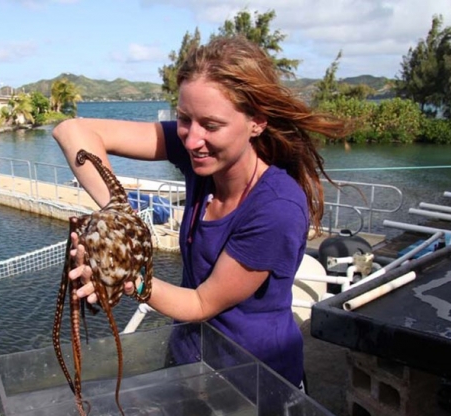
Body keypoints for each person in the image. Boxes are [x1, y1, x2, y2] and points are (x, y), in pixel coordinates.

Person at [52, 36, 347, 391]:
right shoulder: (200, 155)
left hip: (253, 382)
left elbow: (201, 302)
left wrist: (130, 279)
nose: (192, 140)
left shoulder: (277, 209)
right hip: (190, 364)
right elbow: (72, 131)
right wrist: (120, 213)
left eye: (211, 125)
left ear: (256, 122)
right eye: (184, 119)